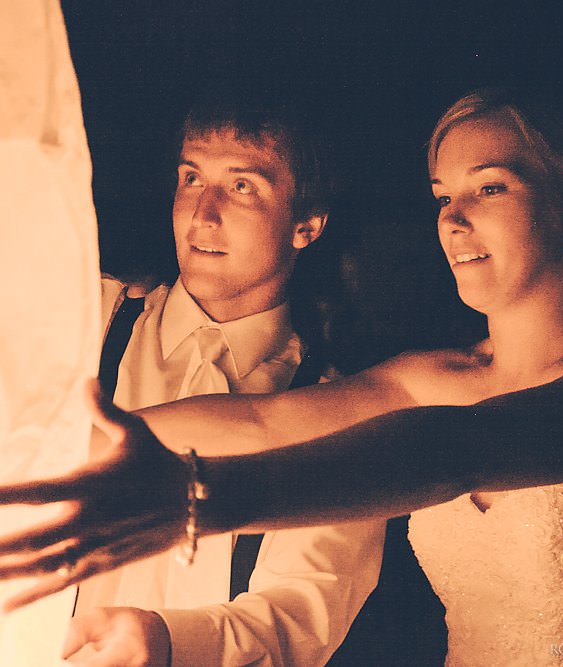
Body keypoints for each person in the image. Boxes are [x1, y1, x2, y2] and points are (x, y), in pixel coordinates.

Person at [0, 89, 563, 665]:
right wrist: (66, 446)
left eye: (489, 188)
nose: (452, 218)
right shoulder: (431, 375)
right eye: (442, 195)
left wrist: (197, 502)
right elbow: (265, 423)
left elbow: (455, 451)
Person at [63, 99, 385, 667]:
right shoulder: (85, 316)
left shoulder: (337, 408)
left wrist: (166, 642)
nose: (201, 215)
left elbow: (302, 611)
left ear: (307, 225)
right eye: (192, 178)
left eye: (241, 187)